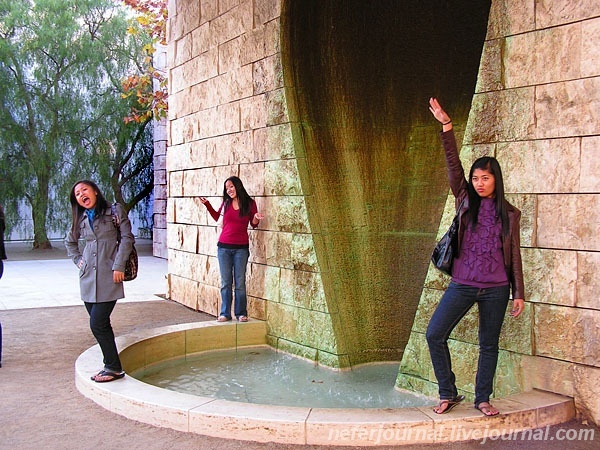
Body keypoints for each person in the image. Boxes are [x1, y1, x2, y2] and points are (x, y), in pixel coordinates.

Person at [426, 98, 525, 416]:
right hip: (463, 283)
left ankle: (482, 398)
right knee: (434, 333)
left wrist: (518, 293)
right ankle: (448, 392)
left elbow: (515, 254)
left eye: (485, 178)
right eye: (476, 178)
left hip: (496, 288)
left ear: (495, 179)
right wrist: (446, 126)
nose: (480, 183)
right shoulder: (464, 198)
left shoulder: (509, 214)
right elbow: (453, 165)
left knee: (488, 345)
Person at [65, 180, 135, 382]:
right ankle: (112, 366)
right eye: (77, 194)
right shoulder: (80, 218)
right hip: (87, 278)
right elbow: (70, 242)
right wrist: (78, 260)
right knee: (101, 324)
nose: (81, 195)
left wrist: (119, 265)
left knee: (98, 323)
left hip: (109, 275)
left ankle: (113, 367)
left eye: (84, 190)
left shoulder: (114, 211)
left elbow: (127, 238)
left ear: (95, 190)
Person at [200, 176, 264, 323]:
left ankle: (241, 313)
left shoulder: (250, 203)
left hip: (241, 249)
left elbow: (253, 224)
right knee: (226, 282)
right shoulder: (226, 203)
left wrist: (256, 217)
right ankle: (225, 313)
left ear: (238, 186)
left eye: (231, 187)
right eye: (227, 188)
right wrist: (207, 205)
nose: (229, 190)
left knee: (240, 282)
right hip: (224, 248)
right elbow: (217, 217)